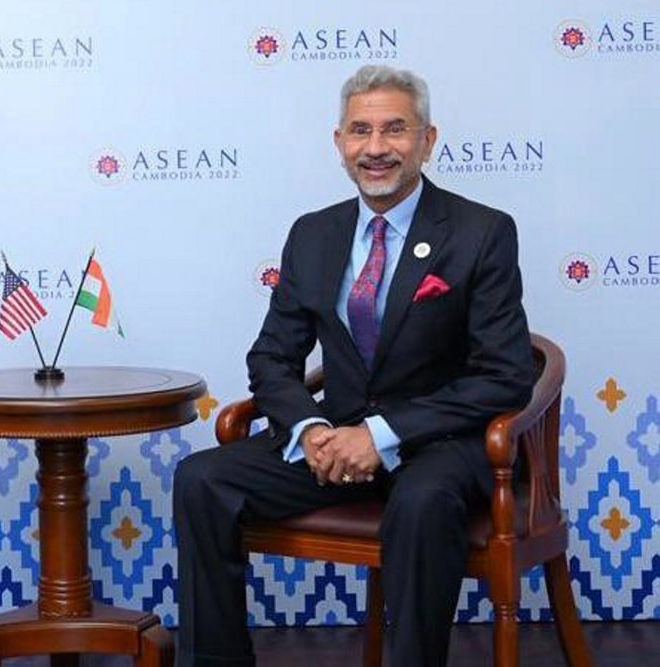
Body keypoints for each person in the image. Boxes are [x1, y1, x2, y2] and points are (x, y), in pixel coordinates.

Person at [173, 64, 535, 667]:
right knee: (202, 479)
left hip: (441, 445)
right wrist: (311, 431)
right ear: (339, 142)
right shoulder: (313, 234)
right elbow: (271, 357)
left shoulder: (481, 232)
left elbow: (505, 375)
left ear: (427, 139)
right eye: (360, 131)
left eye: (394, 130)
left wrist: (382, 434)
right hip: (335, 439)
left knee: (421, 504)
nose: (376, 148)